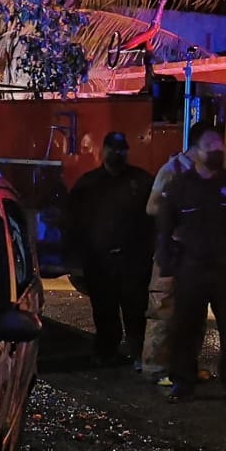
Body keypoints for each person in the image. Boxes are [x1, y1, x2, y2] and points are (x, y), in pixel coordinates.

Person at [156, 123, 226, 402]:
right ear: (196, 151)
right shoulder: (181, 187)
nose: (218, 149)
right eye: (210, 144)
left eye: (219, 144)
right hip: (192, 268)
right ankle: (183, 382)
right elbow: (165, 229)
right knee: (186, 328)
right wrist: (168, 268)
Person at [68, 132, 155, 365]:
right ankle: (106, 351)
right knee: (104, 310)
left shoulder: (142, 181)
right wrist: (77, 255)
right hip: (99, 261)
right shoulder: (88, 183)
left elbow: (155, 217)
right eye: (113, 148)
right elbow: (73, 220)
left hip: (133, 261)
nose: (117, 153)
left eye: (121, 149)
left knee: (135, 310)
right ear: (103, 150)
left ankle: (139, 352)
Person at [140, 129, 207, 381]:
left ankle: (186, 367)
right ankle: (155, 368)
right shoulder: (173, 169)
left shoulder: (204, 174)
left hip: (194, 253)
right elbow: (152, 206)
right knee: (163, 308)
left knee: (193, 312)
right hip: (172, 249)